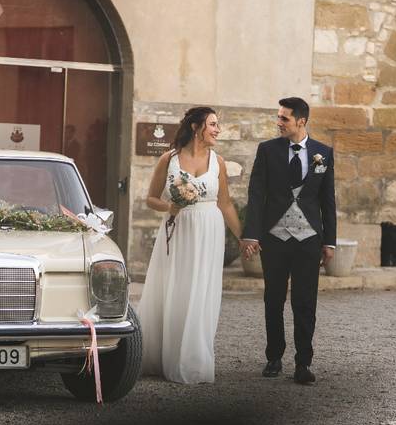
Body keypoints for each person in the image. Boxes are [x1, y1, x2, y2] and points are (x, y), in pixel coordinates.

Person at [139, 106, 243, 383]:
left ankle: (193, 357)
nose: (217, 129)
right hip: (179, 229)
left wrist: (243, 238)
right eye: (213, 124)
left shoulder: (217, 161)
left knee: (201, 291)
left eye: (217, 124)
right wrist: (169, 206)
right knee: (176, 288)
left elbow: (225, 203)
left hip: (209, 230)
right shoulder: (169, 159)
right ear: (197, 127)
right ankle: (166, 354)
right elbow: (150, 198)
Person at [240, 97, 336, 385]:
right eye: (279, 117)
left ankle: (303, 362)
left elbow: (327, 200)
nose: (278, 122)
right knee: (274, 298)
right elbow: (256, 194)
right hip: (275, 238)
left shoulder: (323, 153)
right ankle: (274, 357)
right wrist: (252, 234)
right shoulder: (268, 150)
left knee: (305, 301)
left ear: (301, 122)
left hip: (308, 239)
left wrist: (329, 241)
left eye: (284, 118)